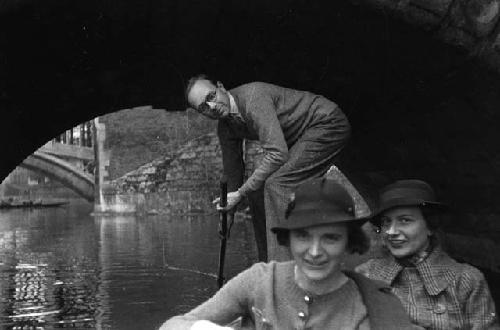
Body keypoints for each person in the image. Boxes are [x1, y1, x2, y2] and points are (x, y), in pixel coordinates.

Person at [159, 178, 414, 330]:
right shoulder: (260, 280)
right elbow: (173, 325)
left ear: (349, 242)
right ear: (288, 239)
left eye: (331, 238)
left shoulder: (374, 306)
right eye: (303, 236)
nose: (315, 252)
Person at [185, 75, 351, 261]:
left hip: (326, 124)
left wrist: (240, 193)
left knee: (277, 184)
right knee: (257, 192)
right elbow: (232, 170)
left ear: (221, 87)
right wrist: (228, 214)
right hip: (300, 138)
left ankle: (286, 265)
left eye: (211, 97)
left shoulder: (253, 99)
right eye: (203, 108)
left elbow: (278, 154)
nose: (212, 107)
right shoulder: (226, 127)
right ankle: (269, 265)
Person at [356, 179, 499, 330]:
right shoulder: (364, 275)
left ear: (430, 226)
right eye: (386, 222)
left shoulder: (467, 281)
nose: (391, 231)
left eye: (405, 220)